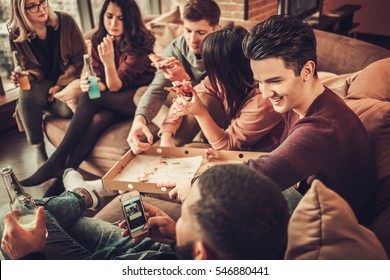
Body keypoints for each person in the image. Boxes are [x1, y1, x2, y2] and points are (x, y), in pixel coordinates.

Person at [172, 15, 377, 226]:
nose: (265, 93)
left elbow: (265, 174)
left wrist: (197, 183)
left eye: (275, 81)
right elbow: (283, 150)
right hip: (311, 198)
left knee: (217, 207)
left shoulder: (323, 128)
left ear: (307, 70)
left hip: (333, 224)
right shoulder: (301, 101)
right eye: (259, 82)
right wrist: (228, 157)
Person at [0, 164, 289, 260]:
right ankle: (82, 194)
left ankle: (83, 194)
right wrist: (178, 236)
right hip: (146, 251)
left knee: (17, 214)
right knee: (31, 217)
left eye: (184, 214)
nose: (179, 216)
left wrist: (30, 260)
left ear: (202, 252)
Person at [20, 0, 156, 187]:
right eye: (109, 17)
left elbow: (116, 85)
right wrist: (89, 81)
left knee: (89, 99)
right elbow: (99, 78)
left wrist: (108, 63)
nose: (113, 24)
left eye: (121, 18)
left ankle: (55, 162)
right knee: (97, 119)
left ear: (130, 19)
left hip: (138, 98)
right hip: (113, 100)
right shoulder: (100, 38)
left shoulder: (142, 43)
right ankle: (63, 177)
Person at [159, 25, 284, 151]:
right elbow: (189, 94)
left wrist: (200, 112)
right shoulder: (221, 79)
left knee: (190, 148)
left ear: (227, 67)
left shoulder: (262, 99)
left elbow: (228, 145)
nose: (208, 70)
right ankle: (168, 142)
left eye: (212, 64)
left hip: (253, 154)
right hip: (227, 134)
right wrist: (166, 134)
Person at [127, 0, 224, 153]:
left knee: (205, 100)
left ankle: (174, 138)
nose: (192, 40)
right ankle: (171, 133)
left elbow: (211, 94)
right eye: (188, 31)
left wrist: (183, 80)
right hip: (185, 99)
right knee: (141, 93)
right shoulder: (176, 47)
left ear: (216, 28)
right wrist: (139, 121)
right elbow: (157, 89)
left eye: (201, 32)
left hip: (212, 105)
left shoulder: (224, 49)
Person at [7, 0, 86, 166]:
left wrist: (59, 85)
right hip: (41, 81)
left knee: (65, 110)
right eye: (32, 6)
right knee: (27, 97)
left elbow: (80, 60)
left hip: (67, 81)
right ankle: (39, 148)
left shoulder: (65, 22)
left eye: (42, 2)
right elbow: (29, 67)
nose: (41, 8)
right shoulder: (16, 34)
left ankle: (43, 107)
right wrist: (26, 75)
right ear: (21, 10)